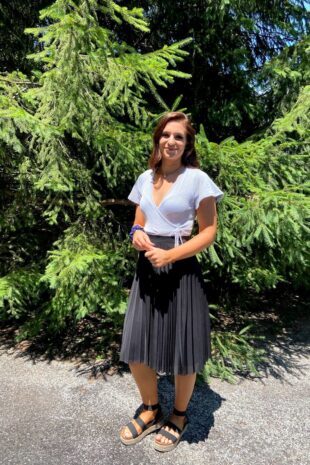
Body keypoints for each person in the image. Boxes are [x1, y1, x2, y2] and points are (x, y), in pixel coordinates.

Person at [119, 111, 223, 452]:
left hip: (181, 270)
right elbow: (138, 221)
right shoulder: (145, 179)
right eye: (166, 135)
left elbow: (208, 232)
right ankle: (151, 409)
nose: (171, 141)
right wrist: (136, 235)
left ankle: (179, 415)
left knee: (183, 351)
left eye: (179, 136)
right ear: (158, 140)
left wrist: (170, 256)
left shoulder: (197, 180)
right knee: (136, 346)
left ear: (187, 143)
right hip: (147, 267)